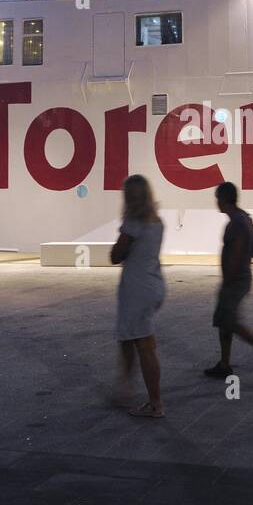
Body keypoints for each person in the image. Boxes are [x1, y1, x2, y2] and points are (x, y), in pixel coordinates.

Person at [205, 182, 253, 379]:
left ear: (223, 200)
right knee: (224, 322)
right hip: (239, 278)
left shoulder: (236, 223)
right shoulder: (244, 217)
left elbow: (236, 253)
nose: (216, 204)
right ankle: (224, 363)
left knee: (231, 322)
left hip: (235, 280)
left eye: (217, 199)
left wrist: (228, 279)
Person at [111, 175, 167, 418]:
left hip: (136, 289)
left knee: (145, 346)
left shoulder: (134, 223)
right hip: (153, 283)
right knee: (140, 341)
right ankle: (129, 388)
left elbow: (116, 255)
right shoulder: (157, 221)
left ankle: (155, 403)